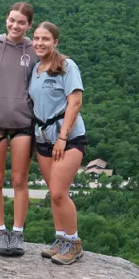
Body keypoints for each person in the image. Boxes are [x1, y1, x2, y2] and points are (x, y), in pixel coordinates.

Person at [28, 22, 88, 265]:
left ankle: (74, 243)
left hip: (68, 138)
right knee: (53, 195)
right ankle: (61, 238)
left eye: (46, 39)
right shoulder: (35, 69)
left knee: (59, 192)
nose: (40, 43)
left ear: (55, 42)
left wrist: (63, 137)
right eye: (36, 38)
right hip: (43, 138)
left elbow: (75, 102)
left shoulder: (66, 66)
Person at [0, 2, 35, 256]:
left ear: (29, 25)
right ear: (6, 19)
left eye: (21, 22)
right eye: (12, 20)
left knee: (20, 181)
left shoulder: (35, 49)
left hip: (23, 122)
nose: (15, 25)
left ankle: (18, 233)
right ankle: (1, 233)